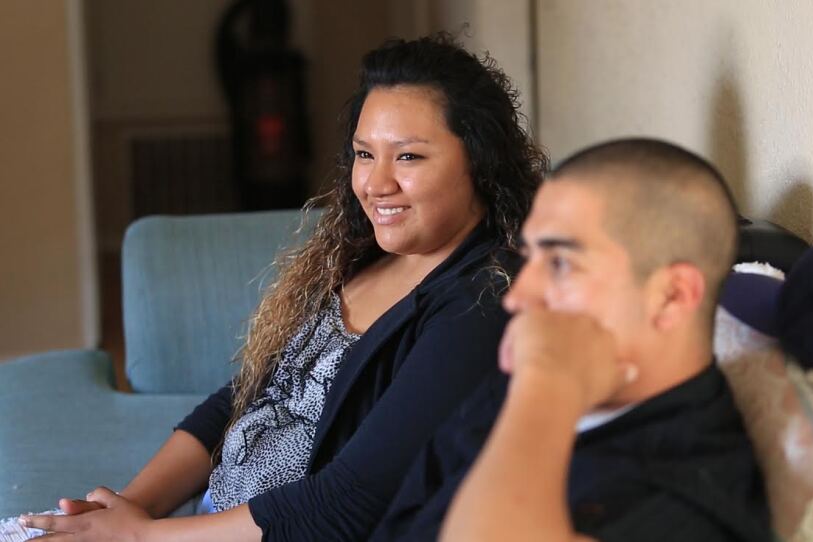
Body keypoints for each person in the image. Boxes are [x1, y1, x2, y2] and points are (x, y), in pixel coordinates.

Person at [20, 34, 546, 541]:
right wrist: (127, 510)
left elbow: (348, 505)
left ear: (479, 160)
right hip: (200, 525)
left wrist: (146, 537)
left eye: (408, 157)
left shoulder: (480, 304)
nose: (376, 183)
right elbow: (244, 398)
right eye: (365, 154)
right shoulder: (362, 252)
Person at [371, 138, 772, 541]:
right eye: (528, 259)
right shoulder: (515, 388)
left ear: (672, 296)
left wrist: (548, 379)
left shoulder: (691, 500)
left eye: (561, 263)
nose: (517, 297)